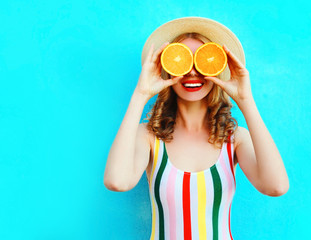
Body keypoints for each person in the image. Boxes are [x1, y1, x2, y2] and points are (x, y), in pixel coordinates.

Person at [104, 17, 289, 240]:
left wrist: (245, 100)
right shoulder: (149, 136)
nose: (192, 72)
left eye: (202, 61)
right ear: (168, 69)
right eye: (182, 61)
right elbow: (117, 181)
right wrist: (140, 95)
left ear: (217, 68)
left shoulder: (234, 139)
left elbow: (276, 187)